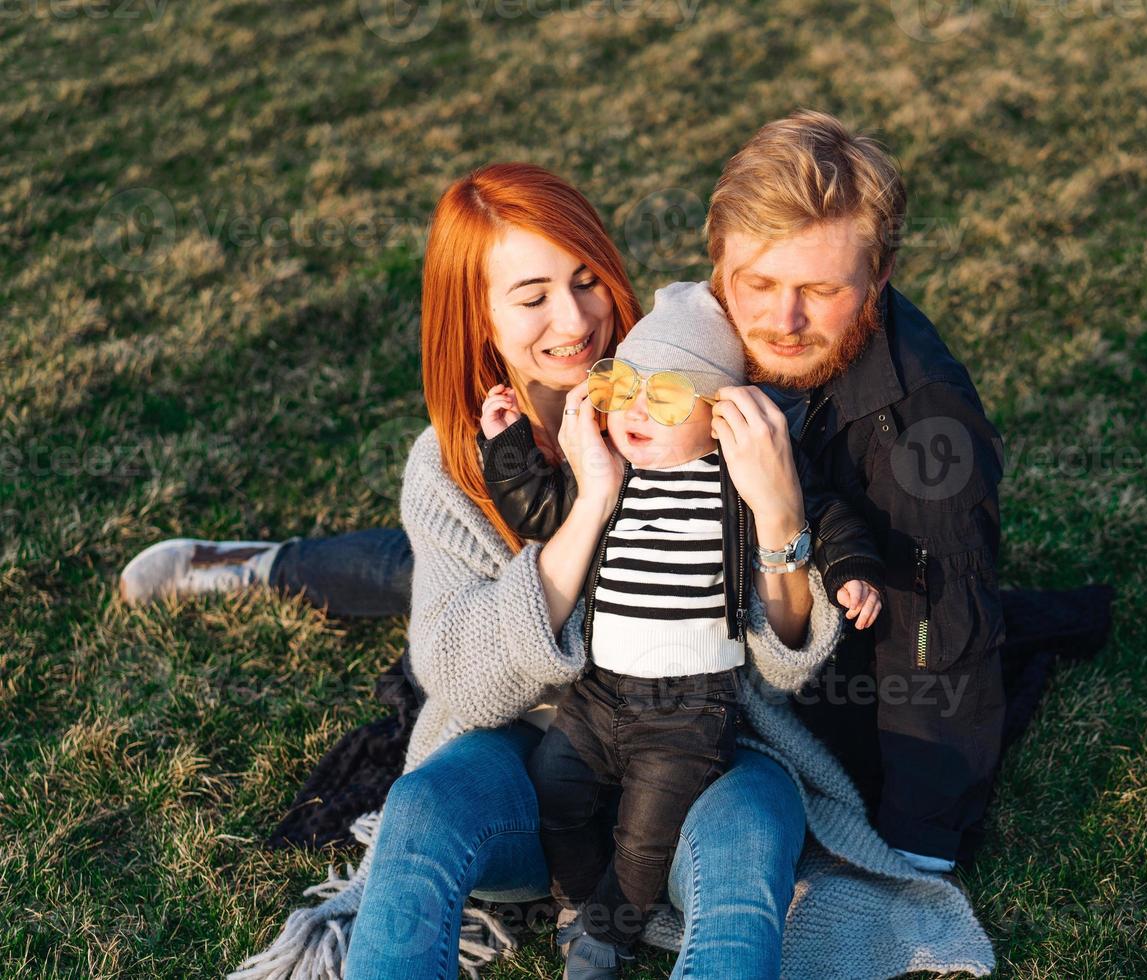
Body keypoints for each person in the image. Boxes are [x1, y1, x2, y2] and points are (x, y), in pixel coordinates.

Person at [227, 158, 998, 980]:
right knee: (420, 805)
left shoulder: (692, 395)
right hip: (529, 779)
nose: (575, 316)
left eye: (588, 278)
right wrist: (592, 502)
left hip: (699, 750)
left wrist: (780, 525)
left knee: (758, 825)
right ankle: (255, 566)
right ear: (477, 319)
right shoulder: (452, 466)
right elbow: (456, 680)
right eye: (532, 298)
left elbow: (783, 667)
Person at [480, 281, 883, 977]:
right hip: (599, 692)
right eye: (624, 386)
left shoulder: (737, 475)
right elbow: (541, 513)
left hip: (690, 709)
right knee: (556, 789)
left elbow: (824, 512)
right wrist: (509, 446)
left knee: (647, 835)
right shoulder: (610, 472)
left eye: (664, 398)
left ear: (720, 416)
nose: (635, 409)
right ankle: (580, 900)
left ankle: (608, 936)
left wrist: (851, 569)